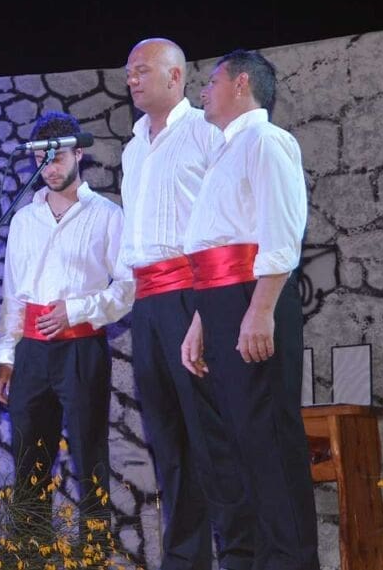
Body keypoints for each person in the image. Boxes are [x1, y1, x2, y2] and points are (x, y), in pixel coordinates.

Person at [181, 49, 319, 570]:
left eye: (211, 81)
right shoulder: (225, 151)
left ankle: (292, 561)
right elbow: (218, 242)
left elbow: (280, 231)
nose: (202, 91)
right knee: (240, 443)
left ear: (241, 83)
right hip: (221, 303)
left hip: (251, 298)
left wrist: (260, 311)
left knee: (268, 440)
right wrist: (201, 320)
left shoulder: (266, 140)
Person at [120, 38, 255, 569]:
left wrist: (208, 307)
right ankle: (185, 560)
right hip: (148, 303)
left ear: (175, 76)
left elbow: (230, 217)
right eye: (129, 72)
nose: (131, 79)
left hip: (195, 295)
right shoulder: (133, 147)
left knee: (210, 434)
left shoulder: (205, 131)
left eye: (142, 70)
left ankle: (241, 555)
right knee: (168, 440)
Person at [0, 111, 132, 534]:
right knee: (29, 459)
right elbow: (14, 292)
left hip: (81, 347)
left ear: (78, 154)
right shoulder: (23, 219)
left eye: (57, 158)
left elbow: (128, 287)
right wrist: (6, 356)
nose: (49, 168)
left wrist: (76, 310)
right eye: (42, 159)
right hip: (31, 352)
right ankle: (31, 550)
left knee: (90, 455)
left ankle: (94, 551)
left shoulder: (106, 215)